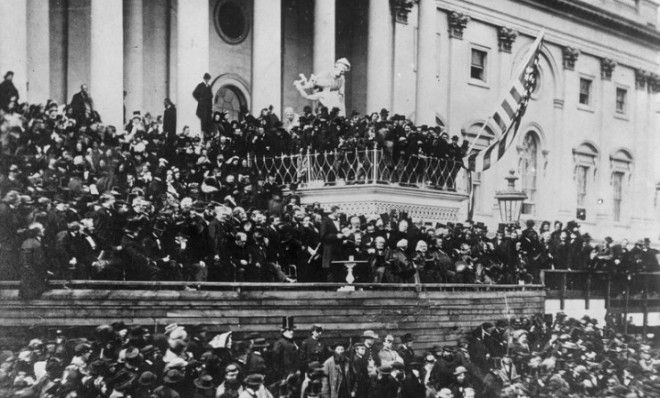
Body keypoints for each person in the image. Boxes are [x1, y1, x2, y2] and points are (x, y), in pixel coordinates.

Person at [193, 73, 213, 137]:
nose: (207, 80)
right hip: (202, 107)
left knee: (208, 119)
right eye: (206, 79)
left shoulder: (209, 87)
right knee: (203, 119)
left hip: (208, 107)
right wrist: (200, 99)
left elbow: (210, 97)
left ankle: (207, 133)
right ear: (204, 79)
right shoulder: (200, 85)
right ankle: (203, 132)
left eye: (208, 79)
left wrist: (211, 107)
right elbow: (194, 93)